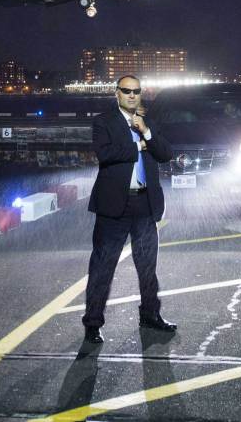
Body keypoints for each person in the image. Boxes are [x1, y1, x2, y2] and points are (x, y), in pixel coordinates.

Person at [82, 75, 175, 343]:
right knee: (103, 266)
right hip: (114, 207)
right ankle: (92, 323)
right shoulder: (103, 121)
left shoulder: (147, 123)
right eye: (126, 91)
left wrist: (146, 132)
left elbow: (166, 153)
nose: (132, 95)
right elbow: (105, 154)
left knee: (147, 267)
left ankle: (150, 315)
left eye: (136, 91)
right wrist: (138, 145)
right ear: (117, 93)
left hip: (144, 204)